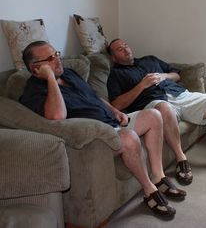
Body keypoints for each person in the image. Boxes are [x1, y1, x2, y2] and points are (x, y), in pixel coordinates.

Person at [20, 41, 186, 218]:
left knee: (154, 115)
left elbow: (95, 96)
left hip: (111, 122)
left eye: (57, 54)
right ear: (36, 68)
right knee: (129, 137)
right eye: (51, 58)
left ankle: (158, 177)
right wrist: (51, 79)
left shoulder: (69, 74)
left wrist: (115, 111)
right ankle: (149, 190)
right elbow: (57, 116)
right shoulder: (33, 91)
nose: (58, 60)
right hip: (97, 135)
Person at [106, 38, 206, 185]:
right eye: (120, 49)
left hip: (181, 95)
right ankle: (181, 159)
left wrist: (163, 76)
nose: (125, 49)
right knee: (164, 108)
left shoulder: (149, 60)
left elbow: (177, 75)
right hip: (155, 102)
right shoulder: (116, 75)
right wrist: (142, 85)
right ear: (114, 58)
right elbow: (117, 105)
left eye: (126, 45)